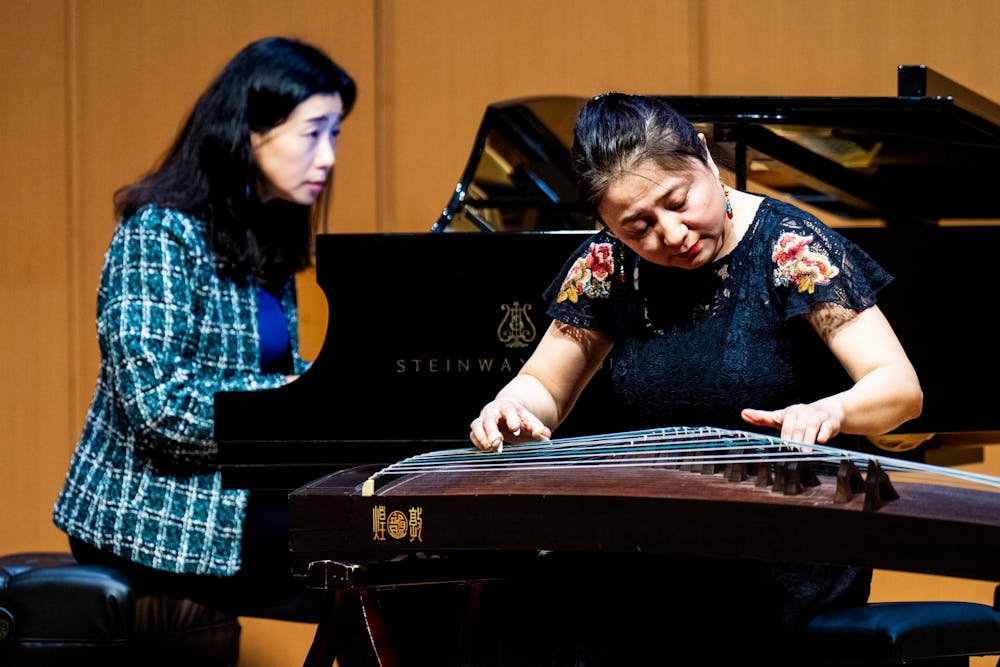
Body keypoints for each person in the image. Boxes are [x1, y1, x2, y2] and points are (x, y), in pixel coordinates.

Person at [466, 93, 923, 663]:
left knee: (665, 618)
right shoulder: (608, 266)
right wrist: (512, 409)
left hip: (790, 533)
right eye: (638, 227)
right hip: (666, 529)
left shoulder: (792, 248)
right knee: (524, 605)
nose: (672, 234)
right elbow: (544, 386)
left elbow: (899, 388)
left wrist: (832, 410)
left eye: (679, 202)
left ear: (706, 156)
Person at [52, 36, 356, 620]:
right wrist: (301, 396)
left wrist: (339, 397)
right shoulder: (157, 234)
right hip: (153, 509)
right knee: (372, 557)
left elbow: (264, 379)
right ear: (250, 131)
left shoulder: (265, 234)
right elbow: (159, 410)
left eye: (335, 134)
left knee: (400, 560)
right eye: (312, 133)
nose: (327, 157)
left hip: (233, 491)